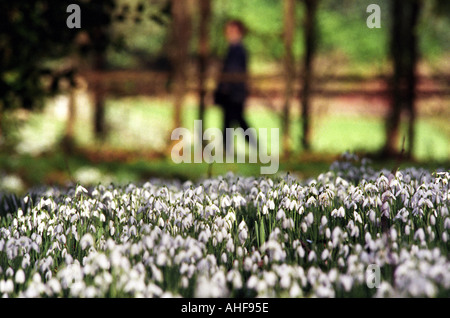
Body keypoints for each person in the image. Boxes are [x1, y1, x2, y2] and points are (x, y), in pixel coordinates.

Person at [214, 19, 257, 157]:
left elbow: (234, 72)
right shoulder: (231, 49)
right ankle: (228, 150)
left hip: (234, 93)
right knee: (228, 122)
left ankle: (255, 147)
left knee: (238, 121)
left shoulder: (239, 51)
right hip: (230, 93)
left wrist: (226, 87)